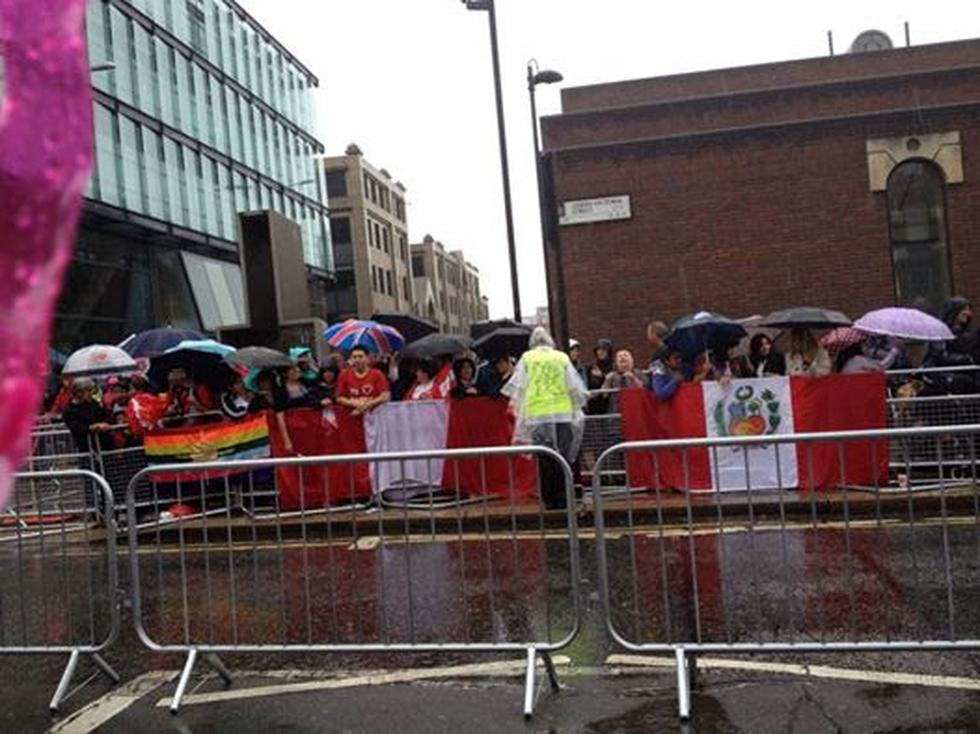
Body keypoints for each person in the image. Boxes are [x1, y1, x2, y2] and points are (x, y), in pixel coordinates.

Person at [502, 327, 588, 510]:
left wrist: (519, 411)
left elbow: (519, 387)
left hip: (537, 414)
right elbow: (574, 386)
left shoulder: (527, 358)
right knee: (562, 457)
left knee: (544, 458)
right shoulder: (561, 357)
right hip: (563, 413)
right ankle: (564, 496)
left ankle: (549, 499)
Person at [335, 345, 391, 416]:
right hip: (352, 417)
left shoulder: (377, 374)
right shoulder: (344, 375)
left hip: (375, 417)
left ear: (367, 358)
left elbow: (386, 396)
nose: (357, 359)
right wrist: (354, 403)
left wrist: (367, 405)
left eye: (360, 356)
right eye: (354, 357)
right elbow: (339, 398)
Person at [62, 378, 114, 452]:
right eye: (88, 390)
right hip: (87, 449)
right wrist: (93, 427)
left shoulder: (93, 403)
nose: (91, 393)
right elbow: (77, 428)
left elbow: (105, 416)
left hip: (105, 446)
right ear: (78, 392)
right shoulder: (69, 411)